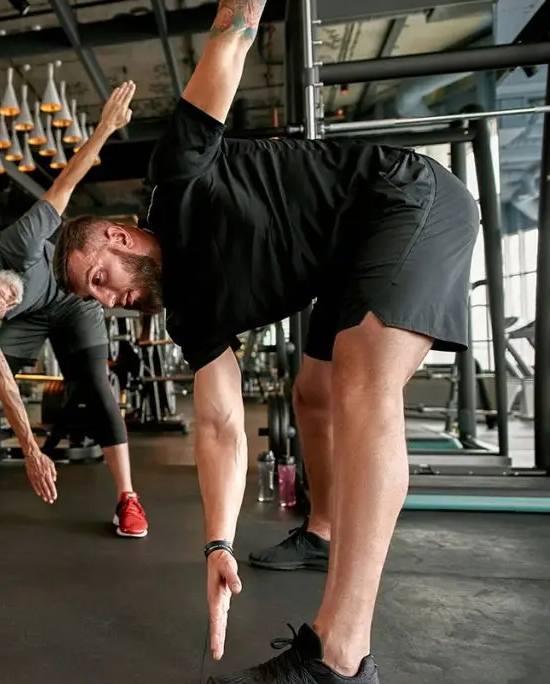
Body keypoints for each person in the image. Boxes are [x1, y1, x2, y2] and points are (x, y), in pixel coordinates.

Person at [52, 0, 480, 681]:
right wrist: (216, 545)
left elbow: (229, 43)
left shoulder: (177, 175)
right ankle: (325, 531)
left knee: (360, 383)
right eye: (94, 298)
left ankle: (341, 656)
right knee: (311, 394)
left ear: (119, 236)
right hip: (347, 260)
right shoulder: (188, 314)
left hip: (404, 201)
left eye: (101, 280)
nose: (108, 300)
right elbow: (221, 424)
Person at [0, 83, 149, 539]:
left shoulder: (17, 243)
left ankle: (128, 497)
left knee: (96, 384)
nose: (2, 309)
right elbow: (3, 382)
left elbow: (66, 182)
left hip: (72, 300)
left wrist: (105, 128)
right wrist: (32, 449)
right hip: (33, 319)